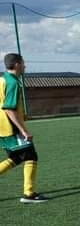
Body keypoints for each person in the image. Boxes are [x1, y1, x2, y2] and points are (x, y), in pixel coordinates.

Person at [0, 53, 48, 203]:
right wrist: (24, 130)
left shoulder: (2, 80)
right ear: (16, 64)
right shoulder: (13, 83)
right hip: (11, 128)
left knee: (16, 157)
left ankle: (29, 192)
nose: (25, 66)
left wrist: (23, 115)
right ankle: (29, 194)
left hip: (2, 127)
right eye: (23, 63)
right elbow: (8, 108)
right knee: (30, 156)